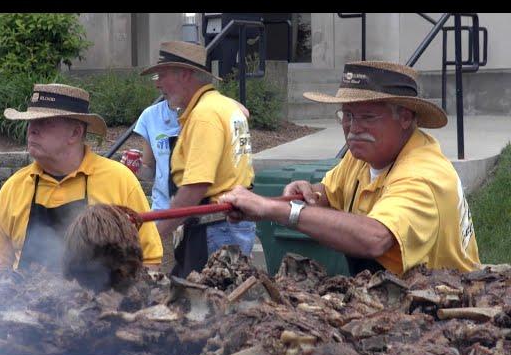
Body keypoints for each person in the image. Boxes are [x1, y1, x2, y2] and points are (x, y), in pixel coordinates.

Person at [219, 61, 480, 277]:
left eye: (367, 117)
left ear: (406, 117)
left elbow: (376, 237)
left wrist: (274, 209)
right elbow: (329, 194)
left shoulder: (424, 173)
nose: (353, 129)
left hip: (445, 308)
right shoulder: (363, 156)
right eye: (347, 116)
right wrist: (309, 192)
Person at [0, 83, 163, 273]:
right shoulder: (13, 188)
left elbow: (149, 261)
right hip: (27, 300)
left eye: (44, 122)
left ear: (75, 133)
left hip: (100, 301)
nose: (32, 130)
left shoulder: (119, 181)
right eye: (31, 121)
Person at [139, 41, 256, 278]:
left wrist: (157, 232)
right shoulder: (222, 106)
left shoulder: (204, 115)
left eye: (162, 75)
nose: (158, 83)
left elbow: (195, 187)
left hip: (213, 229)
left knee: (204, 305)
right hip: (224, 225)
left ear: (184, 74)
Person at [126, 94, 250, 212]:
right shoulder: (150, 115)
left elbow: (244, 112)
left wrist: (210, 97)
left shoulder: (205, 110)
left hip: (200, 208)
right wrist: (136, 167)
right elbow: (150, 171)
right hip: (162, 208)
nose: (159, 84)